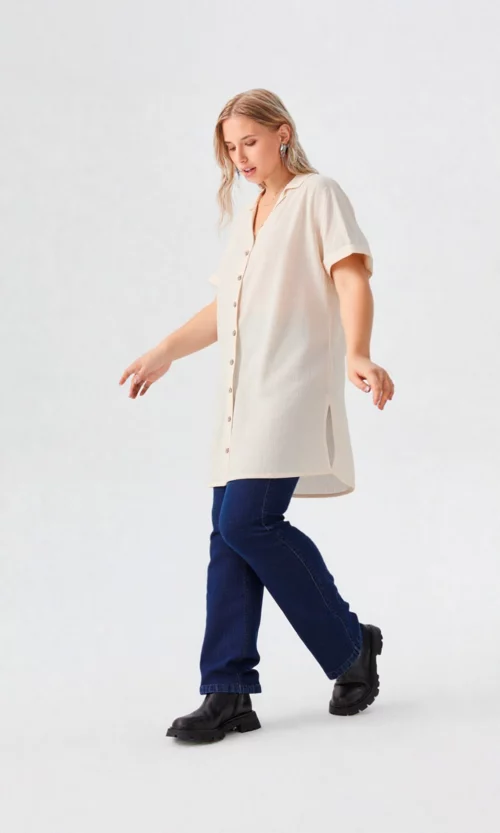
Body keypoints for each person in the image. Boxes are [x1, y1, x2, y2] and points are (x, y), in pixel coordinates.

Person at [119, 88, 394, 744]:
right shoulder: (250, 215)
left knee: (248, 522)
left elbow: (351, 276)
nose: (240, 157)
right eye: (230, 147)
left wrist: (358, 350)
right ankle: (227, 691)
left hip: (288, 390)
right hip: (239, 399)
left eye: (249, 141)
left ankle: (350, 643)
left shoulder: (317, 194)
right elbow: (226, 310)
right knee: (228, 533)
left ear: (282, 134)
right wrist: (165, 351)